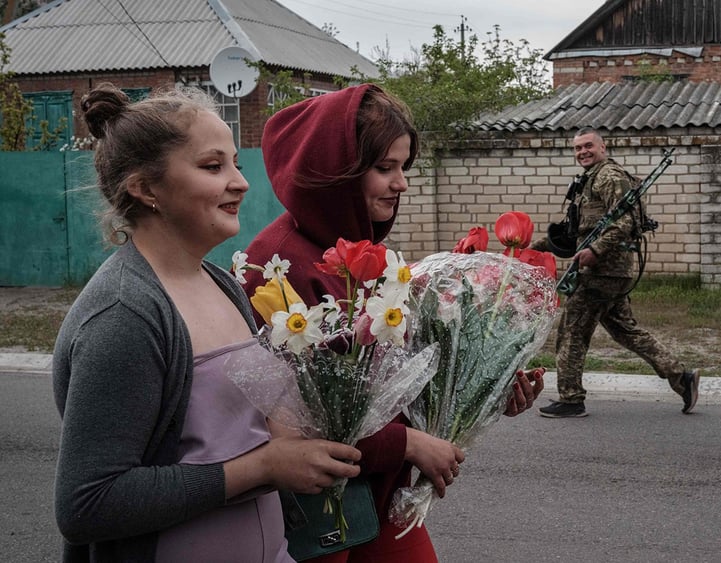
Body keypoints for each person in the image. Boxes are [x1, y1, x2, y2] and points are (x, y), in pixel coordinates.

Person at [51, 84, 362, 562]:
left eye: (235, 163)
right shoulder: (124, 315)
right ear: (146, 187)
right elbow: (88, 502)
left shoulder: (223, 284)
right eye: (213, 166)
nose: (241, 182)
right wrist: (262, 467)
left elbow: (251, 426)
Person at [242, 84, 544, 562]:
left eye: (404, 167)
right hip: (318, 516)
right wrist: (408, 444)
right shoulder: (276, 266)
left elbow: (388, 381)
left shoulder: (367, 255)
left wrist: (482, 395)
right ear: (333, 173)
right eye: (385, 168)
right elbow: (296, 420)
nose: (402, 183)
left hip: (376, 501)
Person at [531, 126, 699, 418]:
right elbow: (574, 233)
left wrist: (595, 251)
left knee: (571, 332)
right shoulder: (589, 180)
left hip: (601, 272)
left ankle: (571, 399)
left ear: (603, 147)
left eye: (588, 146)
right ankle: (681, 377)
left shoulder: (608, 176)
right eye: (577, 148)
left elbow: (626, 222)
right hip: (609, 272)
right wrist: (533, 249)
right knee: (626, 331)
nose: (582, 152)